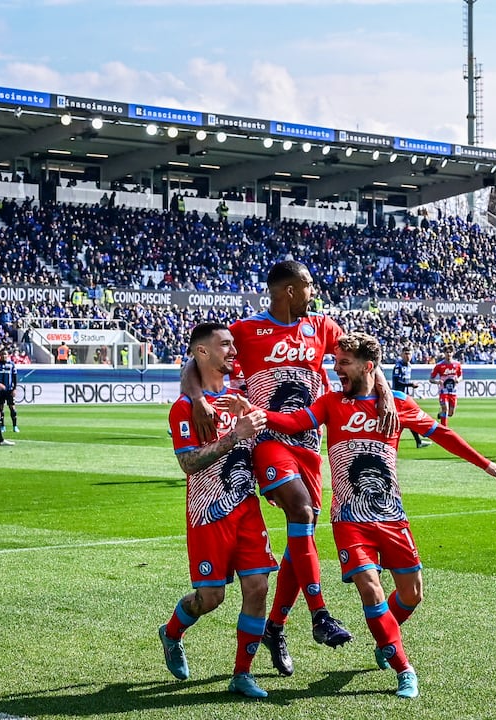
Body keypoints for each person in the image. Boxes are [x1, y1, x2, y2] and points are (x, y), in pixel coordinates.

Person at [259, 332, 496, 699]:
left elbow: (442, 434)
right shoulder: (330, 403)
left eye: (344, 363)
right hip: (349, 520)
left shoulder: (399, 403)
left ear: (367, 366)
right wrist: (254, 415)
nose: (336, 368)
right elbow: (294, 423)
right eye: (335, 361)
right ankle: (404, 668)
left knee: (411, 594)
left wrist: (484, 463)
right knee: (371, 589)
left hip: (391, 516)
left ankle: (385, 643)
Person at [181, 260, 398, 677]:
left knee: (304, 529)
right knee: (300, 511)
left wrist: (384, 392)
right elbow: (193, 361)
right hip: (268, 437)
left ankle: (276, 627)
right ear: (291, 289)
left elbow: (367, 359)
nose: (315, 291)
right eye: (310, 285)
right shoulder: (245, 331)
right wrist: (198, 399)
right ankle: (320, 613)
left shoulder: (323, 327)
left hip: (307, 442)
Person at [159, 322, 273, 698]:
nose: (233, 350)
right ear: (203, 352)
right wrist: (233, 437)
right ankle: (172, 632)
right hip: (208, 513)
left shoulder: (239, 391)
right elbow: (189, 464)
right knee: (211, 598)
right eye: (224, 344)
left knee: (257, 588)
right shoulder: (184, 409)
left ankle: (242, 674)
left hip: (247, 507)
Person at [393, 347, 430, 449]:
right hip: (398, 397)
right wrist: (410, 385)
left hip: (405, 397)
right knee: (405, 420)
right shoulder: (398, 366)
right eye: (405, 354)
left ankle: (418, 441)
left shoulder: (409, 366)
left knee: (409, 419)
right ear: (401, 354)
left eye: (409, 354)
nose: (407, 356)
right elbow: (397, 382)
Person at [429, 346, 463, 427]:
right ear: (444, 353)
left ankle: (441, 413)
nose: (449, 354)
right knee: (445, 408)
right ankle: (444, 428)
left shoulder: (457, 364)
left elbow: (461, 376)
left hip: (453, 391)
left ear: (453, 353)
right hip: (443, 390)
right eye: (447, 352)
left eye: (450, 352)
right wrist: (437, 382)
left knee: (450, 413)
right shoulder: (439, 365)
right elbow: (431, 379)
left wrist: (458, 380)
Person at [0, 347, 20, 432]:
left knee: (12, 408)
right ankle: (2, 426)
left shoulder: (11, 364)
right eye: (1, 354)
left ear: (8, 355)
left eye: (5, 354)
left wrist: (14, 389)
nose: (3, 356)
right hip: (0, 391)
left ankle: (15, 426)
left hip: (9, 390)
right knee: (0, 409)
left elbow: (15, 377)